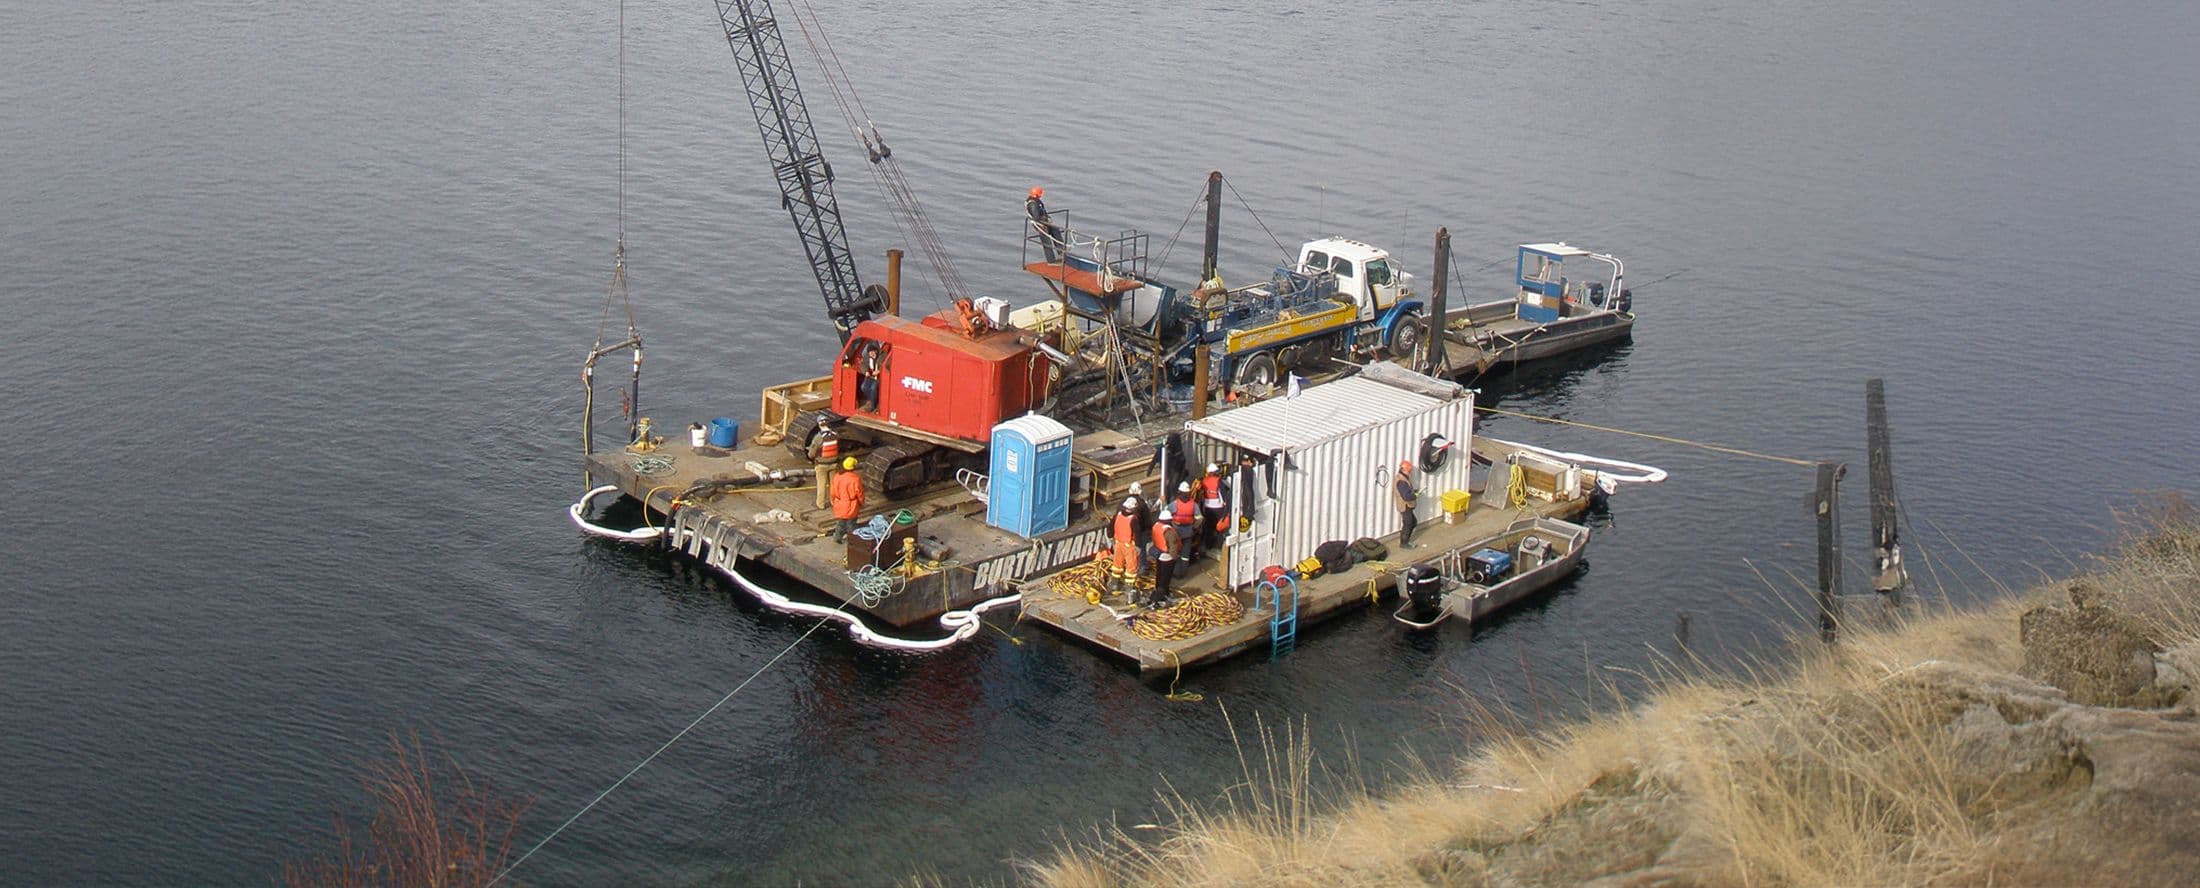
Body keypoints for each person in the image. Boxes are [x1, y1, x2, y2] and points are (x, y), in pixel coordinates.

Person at [1198, 462, 1230, 555]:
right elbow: (1223, 494)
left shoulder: (1204, 481)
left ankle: (1208, 546)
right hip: (1218, 507)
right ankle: (1221, 547)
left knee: (1209, 527)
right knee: (1221, 527)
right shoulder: (1219, 481)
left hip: (1207, 507)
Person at [1110, 498, 1141, 592]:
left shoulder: (1117, 515)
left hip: (1118, 543)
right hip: (1129, 545)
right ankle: (1129, 588)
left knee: (1117, 564)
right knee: (1131, 567)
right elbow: (1137, 533)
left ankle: (1114, 584)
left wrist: (1111, 537)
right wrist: (1138, 546)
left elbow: (1110, 527)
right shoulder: (1133, 519)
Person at [830, 456, 865, 541]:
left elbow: (832, 491)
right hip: (852, 505)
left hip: (839, 503)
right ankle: (852, 540)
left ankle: (837, 537)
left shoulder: (837, 476)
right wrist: (861, 502)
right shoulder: (855, 479)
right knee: (851, 524)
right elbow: (859, 493)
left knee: (841, 522)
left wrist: (834, 501)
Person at [1149, 519, 1181, 608]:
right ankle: (1160, 597)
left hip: (1159, 554)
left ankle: (1159, 590)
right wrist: (1175, 557)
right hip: (1168, 557)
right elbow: (1173, 546)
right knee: (1165, 578)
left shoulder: (1156, 526)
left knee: (1159, 575)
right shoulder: (1169, 531)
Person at [1025, 186, 1063, 262]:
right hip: (1040, 225)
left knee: (1055, 230)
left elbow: (1042, 211)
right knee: (1046, 241)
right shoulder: (1032, 204)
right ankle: (1051, 261)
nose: (1041, 195)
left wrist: (1047, 218)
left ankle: (1061, 252)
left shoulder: (1036, 201)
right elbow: (1036, 217)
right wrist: (1044, 222)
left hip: (1045, 222)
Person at [1168, 481, 1201, 561]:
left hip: (1176, 531)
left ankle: (1176, 569)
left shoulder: (1174, 504)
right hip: (1189, 531)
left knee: (1176, 550)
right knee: (1185, 553)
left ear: (1179, 492)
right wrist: (1194, 527)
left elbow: (1166, 515)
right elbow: (1199, 518)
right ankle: (1183, 569)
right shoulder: (1194, 505)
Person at [1393, 459, 1420, 549]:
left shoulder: (1402, 478)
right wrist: (1415, 495)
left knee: (1413, 522)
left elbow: (1406, 491)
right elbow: (1406, 496)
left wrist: (1414, 491)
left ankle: (1405, 539)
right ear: (1404, 470)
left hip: (1407, 506)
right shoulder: (1402, 481)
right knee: (1408, 524)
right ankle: (1404, 543)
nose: (1410, 472)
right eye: (1409, 470)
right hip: (1405, 506)